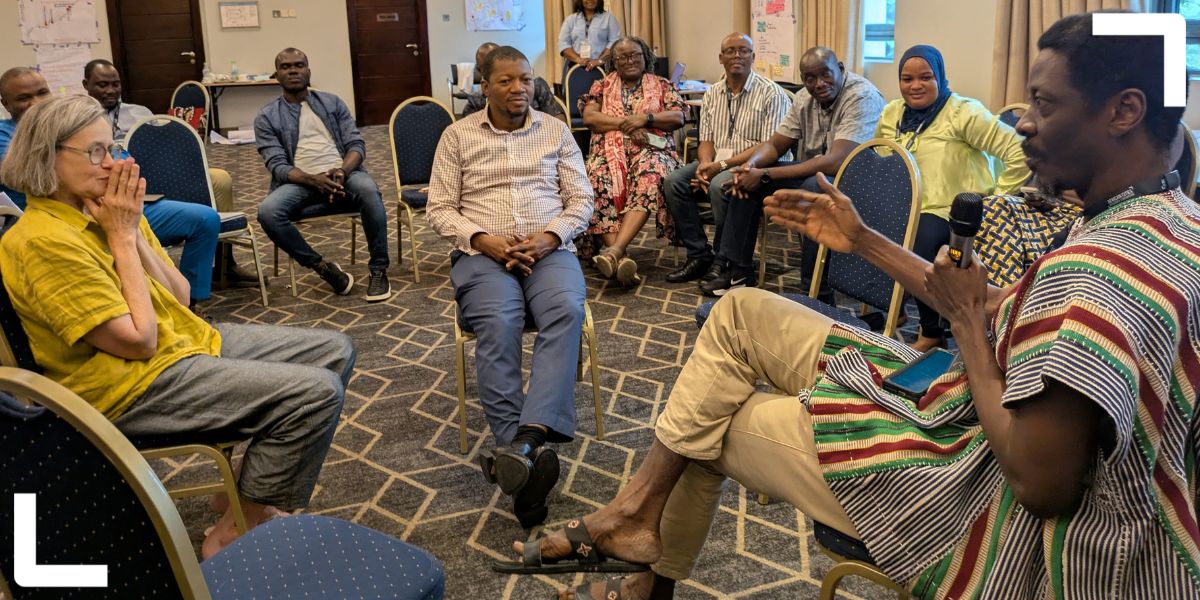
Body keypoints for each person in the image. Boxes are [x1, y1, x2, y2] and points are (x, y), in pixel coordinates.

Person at [499, 12, 1200, 599]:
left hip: (970, 487)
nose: (1025, 126)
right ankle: (635, 524)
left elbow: (1041, 482)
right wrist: (863, 241)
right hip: (956, 402)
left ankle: (641, 563)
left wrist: (963, 328)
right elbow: (982, 307)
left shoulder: (1106, 268)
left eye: (1045, 106)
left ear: (1125, 111)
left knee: (711, 415)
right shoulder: (1161, 217)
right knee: (739, 311)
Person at [0, 94, 355, 561]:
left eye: (114, 148)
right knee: (315, 393)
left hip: (180, 344)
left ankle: (234, 496)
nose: (112, 163)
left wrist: (131, 231)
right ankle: (236, 527)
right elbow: (138, 343)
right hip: (125, 386)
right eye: (95, 152)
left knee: (335, 348)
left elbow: (181, 295)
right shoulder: (42, 241)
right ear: (46, 157)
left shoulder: (106, 206)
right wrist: (124, 239)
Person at [427, 46, 593, 529]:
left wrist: (546, 239)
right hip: (484, 254)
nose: (519, 89)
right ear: (484, 85)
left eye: (525, 79)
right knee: (498, 322)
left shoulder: (556, 130)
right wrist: (485, 241)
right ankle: (522, 458)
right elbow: (440, 208)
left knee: (565, 308)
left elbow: (581, 200)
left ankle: (524, 442)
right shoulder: (457, 136)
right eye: (506, 81)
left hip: (548, 250)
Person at [875, 45, 1029, 350]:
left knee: (921, 238)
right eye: (907, 79)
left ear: (941, 77)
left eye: (925, 77)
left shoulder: (963, 113)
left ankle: (931, 333)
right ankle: (888, 309)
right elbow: (882, 156)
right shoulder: (893, 113)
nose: (915, 86)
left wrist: (995, 200)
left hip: (951, 210)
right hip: (908, 205)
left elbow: (1019, 152)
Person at [699, 46, 884, 297]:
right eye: (810, 78)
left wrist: (766, 174)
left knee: (812, 188)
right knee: (741, 182)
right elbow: (775, 145)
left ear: (840, 69)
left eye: (825, 75)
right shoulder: (803, 99)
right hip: (815, 175)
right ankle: (739, 271)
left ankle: (815, 291)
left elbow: (837, 161)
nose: (818, 84)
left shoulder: (862, 96)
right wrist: (751, 166)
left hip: (856, 180)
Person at [81, 61, 261, 302]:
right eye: (102, 85)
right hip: (99, 202)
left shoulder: (139, 113)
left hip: (142, 190)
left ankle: (204, 287)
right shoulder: (78, 121)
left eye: (116, 84)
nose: (111, 91)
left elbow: (166, 154)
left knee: (218, 186)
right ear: (86, 86)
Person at [254, 47, 392, 301]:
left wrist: (341, 170)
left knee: (369, 190)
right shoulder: (267, 116)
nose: (293, 70)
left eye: (299, 65)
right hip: (300, 181)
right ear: (276, 75)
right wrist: (313, 179)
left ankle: (379, 270)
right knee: (268, 211)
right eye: (286, 67)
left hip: (344, 174)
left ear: (308, 71)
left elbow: (356, 146)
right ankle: (324, 268)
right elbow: (277, 165)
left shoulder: (332, 103)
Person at [662, 33, 791, 283]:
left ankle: (725, 259)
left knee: (721, 184)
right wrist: (704, 164)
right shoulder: (712, 94)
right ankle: (699, 254)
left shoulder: (771, 94)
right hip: (719, 161)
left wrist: (718, 166)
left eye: (743, 51)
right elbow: (706, 140)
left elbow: (769, 147)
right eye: (730, 51)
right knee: (673, 181)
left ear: (753, 57)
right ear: (720, 58)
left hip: (758, 165)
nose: (737, 56)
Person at [579, 36, 685, 285]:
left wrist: (646, 119)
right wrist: (628, 124)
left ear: (645, 56)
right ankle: (622, 259)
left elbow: (678, 117)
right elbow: (591, 119)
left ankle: (614, 251)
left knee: (651, 173)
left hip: (652, 149)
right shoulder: (601, 86)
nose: (629, 61)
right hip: (608, 150)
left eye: (635, 55)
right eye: (622, 57)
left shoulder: (661, 85)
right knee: (596, 176)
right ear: (613, 62)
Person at [463, 43, 567, 124]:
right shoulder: (475, 101)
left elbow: (558, 118)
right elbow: (467, 131)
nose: (518, 89)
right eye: (505, 81)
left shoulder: (537, 87)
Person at [0, 67, 52, 209]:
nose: (37, 103)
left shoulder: (62, 125)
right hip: (23, 222)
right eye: (24, 98)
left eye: (42, 93)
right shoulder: (3, 134)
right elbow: (31, 174)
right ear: (6, 104)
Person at [557, 0, 621, 81]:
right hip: (576, 67)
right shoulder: (570, 20)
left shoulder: (609, 18)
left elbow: (615, 42)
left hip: (603, 68)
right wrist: (578, 59)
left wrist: (599, 61)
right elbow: (563, 44)